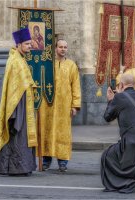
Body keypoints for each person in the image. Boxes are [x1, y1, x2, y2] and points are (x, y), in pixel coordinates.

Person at [0, 28, 37, 176]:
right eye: (27, 44)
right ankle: (15, 168)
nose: (29, 46)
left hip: (24, 104)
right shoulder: (14, 61)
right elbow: (14, 89)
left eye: (30, 44)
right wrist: (14, 114)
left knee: (23, 137)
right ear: (18, 44)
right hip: (18, 106)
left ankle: (23, 167)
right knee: (17, 136)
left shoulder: (20, 59)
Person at [42, 39, 81, 172]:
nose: (63, 49)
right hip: (48, 105)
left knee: (63, 133)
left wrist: (75, 105)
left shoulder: (71, 65)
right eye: (60, 47)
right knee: (47, 131)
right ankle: (46, 160)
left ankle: (63, 161)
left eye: (65, 47)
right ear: (55, 48)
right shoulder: (48, 64)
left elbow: (76, 86)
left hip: (65, 105)